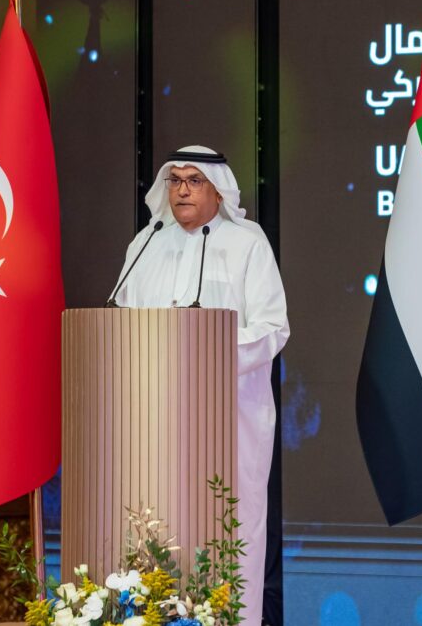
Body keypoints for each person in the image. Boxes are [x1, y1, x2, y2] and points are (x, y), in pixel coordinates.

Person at [110, 145, 289, 625]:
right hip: (152, 417)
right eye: (175, 180)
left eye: (194, 181)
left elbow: (272, 329)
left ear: (218, 190)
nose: (182, 190)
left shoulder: (247, 243)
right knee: (152, 523)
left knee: (227, 529)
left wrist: (203, 350)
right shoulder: (146, 243)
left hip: (228, 419)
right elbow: (120, 325)